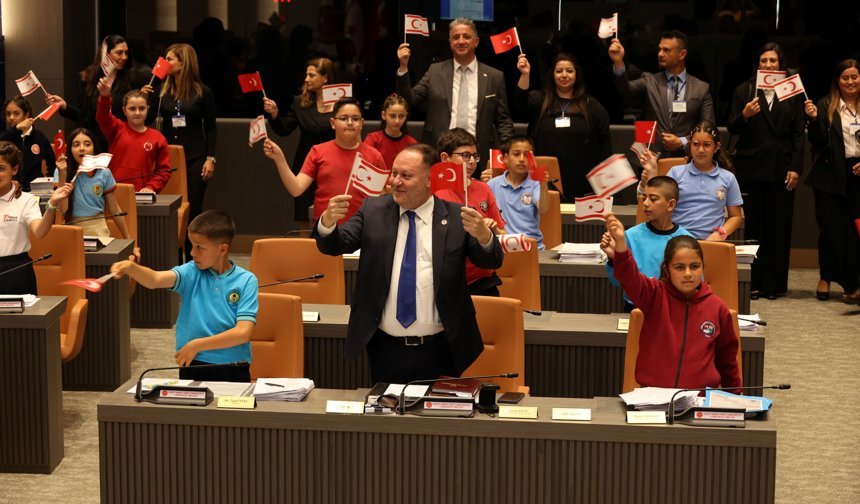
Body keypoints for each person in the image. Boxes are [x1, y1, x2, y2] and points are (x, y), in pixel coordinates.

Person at [313, 144, 504, 383]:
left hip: (442, 347)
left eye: (406, 175)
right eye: (394, 173)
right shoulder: (373, 210)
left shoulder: (457, 216)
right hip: (384, 346)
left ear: (430, 180)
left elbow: (491, 260)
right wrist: (328, 222)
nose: (396, 181)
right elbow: (335, 245)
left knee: (437, 407)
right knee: (387, 406)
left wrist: (484, 236)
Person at [110, 210, 257, 382]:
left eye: (199, 247)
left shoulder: (246, 280)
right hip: (192, 361)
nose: (192, 252)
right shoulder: (191, 271)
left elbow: (243, 333)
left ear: (222, 249)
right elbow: (155, 279)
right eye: (191, 245)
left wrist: (197, 345)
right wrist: (130, 268)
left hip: (232, 365)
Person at [601, 214, 741, 390]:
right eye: (679, 267)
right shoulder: (654, 295)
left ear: (703, 267)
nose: (688, 274)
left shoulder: (717, 307)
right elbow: (630, 278)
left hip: (699, 398)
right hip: (654, 397)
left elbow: (728, 363)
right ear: (667, 269)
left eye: (694, 266)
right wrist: (621, 247)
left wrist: (735, 398)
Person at [728, 43, 805, 300]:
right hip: (751, 168)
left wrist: (796, 167)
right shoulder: (744, 90)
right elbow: (732, 127)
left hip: (782, 167)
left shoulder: (791, 90)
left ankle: (774, 284)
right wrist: (745, 114)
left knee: (778, 227)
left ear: (781, 65)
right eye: (764, 61)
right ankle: (753, 281)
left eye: (773, 61)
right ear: (758, 65)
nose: (769, 65)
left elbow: (798, 133)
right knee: (753, 228)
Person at [396, 17, 514, 160]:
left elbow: (503, 121)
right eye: (456, 37)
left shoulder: (494, 76)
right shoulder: (435, 71)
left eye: (466, 37)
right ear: (450, 42)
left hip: (479, 155)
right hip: (440, 153)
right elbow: (409, 101)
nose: (461, 41)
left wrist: (508, 152)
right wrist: (403, 67)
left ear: (476, 41)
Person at [143, 43, 216, 259]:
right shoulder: (161, 90)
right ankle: (173, 259)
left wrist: (210, 158)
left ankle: (194, 259)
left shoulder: (202, 92)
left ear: (183, 63)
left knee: (192, 209)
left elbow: (211, 128)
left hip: (195, 156)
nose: (165, 63)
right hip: (168, 157)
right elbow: (147, 120)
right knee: (170, 208)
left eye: (170, 59)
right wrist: (146, 99)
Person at [262, 97, 386, 224]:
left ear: (361, 123)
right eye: (343, 118)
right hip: (326, 227)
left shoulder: (374, 156)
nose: (350, 122)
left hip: (363, 227)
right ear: (333, 123)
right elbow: (296, 188)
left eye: (355, 119)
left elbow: (383, 196)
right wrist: (279, 158)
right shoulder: (318, 151)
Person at [513, 53, 612, 200]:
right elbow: (519, 108)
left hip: (582, 181)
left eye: (569, 71)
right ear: (552, 74)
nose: (564, 75)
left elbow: (605, 146)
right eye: (559, 71)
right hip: (544, 178)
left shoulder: (591, 105)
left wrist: (605, 185)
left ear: (577, 74)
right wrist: (525, 75)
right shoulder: (539, 100)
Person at [803, 59, 860, 302]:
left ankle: (852, 284)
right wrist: (814, 119)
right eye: (845, 78)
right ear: (838, 80)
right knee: (830, 231)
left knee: (855, 232)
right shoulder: (826, 104)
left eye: (854, 77)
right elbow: (817, 142)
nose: (850, 81)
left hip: (858, 175)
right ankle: (826, 277)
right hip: (830, 175)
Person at [608, 31, 716, 157]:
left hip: (686, 158)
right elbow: (626, 90)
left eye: (666, 50)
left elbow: (709, 128)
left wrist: (682, 141)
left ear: (682, 54)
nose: (660, 54)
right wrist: (618, 62)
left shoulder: (701, 88)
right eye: (659, 49)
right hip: (651, 157)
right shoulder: (650, 81)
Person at [641, 120, 743, 240]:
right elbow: (658, 204)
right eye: (695, 144)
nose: (700, 150)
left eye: (707, 145)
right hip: (676, 240)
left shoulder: (728, 178)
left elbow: (736, 216)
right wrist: (652, 174)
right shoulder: (676, 173)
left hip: (712, 241)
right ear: (690, 144)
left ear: (716, 147)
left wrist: (719, 234)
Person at [262, 57, 337, 222]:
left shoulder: (342, 104)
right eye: (306, 75)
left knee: (332, 215)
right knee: (304, 216)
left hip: (333, 165)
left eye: (311, 75)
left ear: (325, 78)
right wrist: (274, 113)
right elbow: (284, 129)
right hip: (305, 166)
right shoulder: (299, 102)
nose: (306, 79)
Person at [603, 176, 693, 311]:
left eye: (653, 199)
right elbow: (617, 281)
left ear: (671, 205)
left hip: (673, 309)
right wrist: (613, 258)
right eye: (644, 198)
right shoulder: (630, 236)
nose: (645, 203)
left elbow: (694, 285)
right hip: (636, 307)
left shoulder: (687, 240)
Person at [45, 34, 148, 151]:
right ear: (106, 54)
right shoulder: (88, 78)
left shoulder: (132, 78)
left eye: (126, 53)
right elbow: (83, 117)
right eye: (119, 53)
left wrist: (142, 98)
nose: (124, 57)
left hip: (121, 142)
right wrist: (65, 106)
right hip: (94, 144)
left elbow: (136, 116)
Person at [435, 128, 506, 296]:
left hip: (483, 282)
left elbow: (503, 235)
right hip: (447, 284)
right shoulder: (433, 192)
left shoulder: (483, 189)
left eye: (475, 156)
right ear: (445, 158)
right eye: (465, 155)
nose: (472, 161)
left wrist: (491, 231)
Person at [0, 141, 71, 294]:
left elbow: (39, 231)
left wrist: (52, 204)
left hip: (17, 272)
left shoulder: (26, 200)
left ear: (14, 169)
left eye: (1, 169)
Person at [54, 128, 136, 253]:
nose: (82, 148)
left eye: (87, 144)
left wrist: (129, 241)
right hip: (71, 229)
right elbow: (64, 210)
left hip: (98, 228)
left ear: (94, 148)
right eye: (76, 145)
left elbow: (114, 209)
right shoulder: (60, 171)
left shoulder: (104, 172)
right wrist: (62, 175)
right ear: (70, 149)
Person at [96, 84, 171, 193]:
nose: (137, 113)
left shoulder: (158, 138)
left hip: (142, 193)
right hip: (114, 192)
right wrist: (104, 97)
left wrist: (151, 187)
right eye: (132, 109)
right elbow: (102, 116)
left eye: (142, 108)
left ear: (147, 109)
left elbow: (164, 170)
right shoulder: (116, 129)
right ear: (124, 111)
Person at [485, 136, 548, 249]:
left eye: (527, 155)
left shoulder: (535, 183)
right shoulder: (492, 184)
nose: (522, 159)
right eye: (516, 154)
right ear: (505, 158)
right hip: (503, 246)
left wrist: (543, 185)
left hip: (531, 247)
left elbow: (543, 210)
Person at [0, 95, 56, 191]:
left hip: (35, 191)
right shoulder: (6, 137)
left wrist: (47, 184)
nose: (11, 117)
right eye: (8, 114)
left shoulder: (40, 137)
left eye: (16, 114)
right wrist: (16, 129)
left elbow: (52, 165)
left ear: (26, 115)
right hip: (10, 190)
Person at [363, 93, 418, 172]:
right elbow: (366, 169)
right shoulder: (372, 139)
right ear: (383, 115)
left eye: (401, 116)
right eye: (392, 116)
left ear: (406, 116)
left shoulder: (412, 144)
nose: (397, 121)